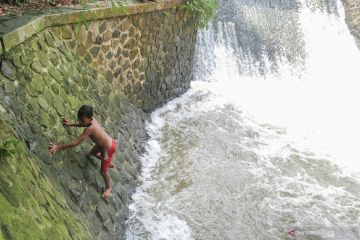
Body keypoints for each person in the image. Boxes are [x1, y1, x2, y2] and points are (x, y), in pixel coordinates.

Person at [48, 105, 116, 199]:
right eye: (80, 119)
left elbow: (75, 143)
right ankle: (108, 162)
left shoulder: (90, 129)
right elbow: (82, 124)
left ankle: (109, 188)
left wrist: (58, 147)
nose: (81, 122)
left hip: (109, 148)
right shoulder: (91, 120)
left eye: (82, 120)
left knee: (103, 171)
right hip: (104, 144)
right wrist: (69, 124)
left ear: (90, 118)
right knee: (92, 153)